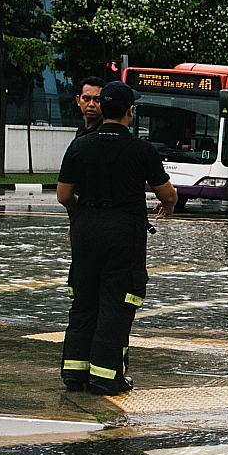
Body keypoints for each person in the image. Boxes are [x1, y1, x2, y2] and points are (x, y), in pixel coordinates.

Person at [56, 80, 178, 395]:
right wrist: (168, 206)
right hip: (124, 234)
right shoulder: (141, 149)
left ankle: (75, 373)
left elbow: (64, 195)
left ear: (103, 108)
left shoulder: (79, 145)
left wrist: (79, 216)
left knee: (83, 302)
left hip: (87, 231)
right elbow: (167, 193)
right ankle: (105, 377)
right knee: (117, 302)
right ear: (129, 111)